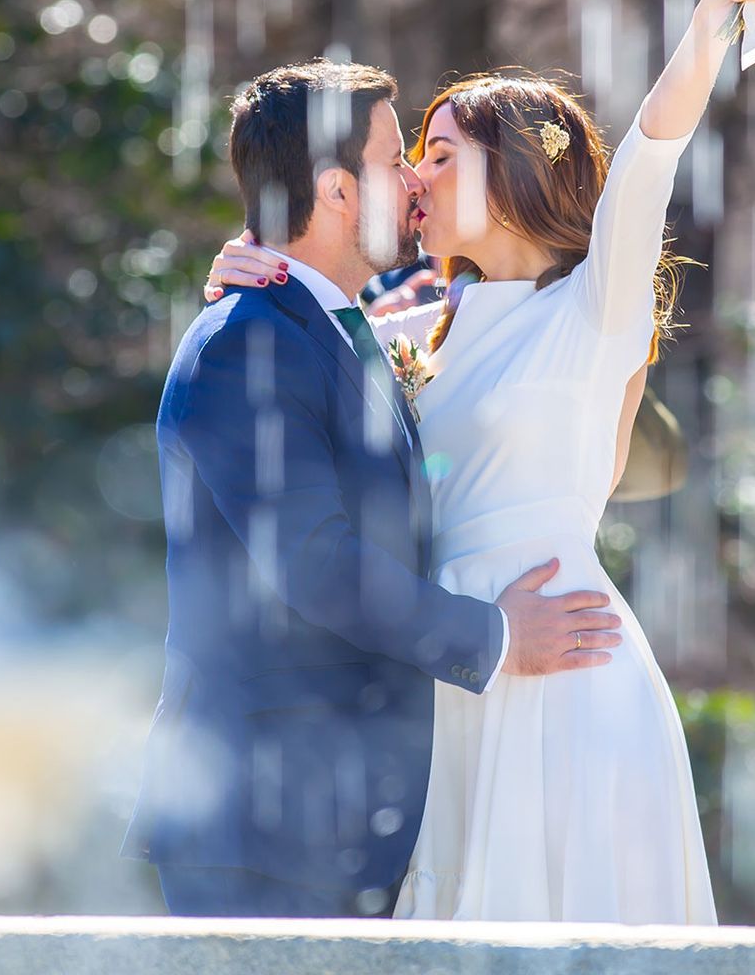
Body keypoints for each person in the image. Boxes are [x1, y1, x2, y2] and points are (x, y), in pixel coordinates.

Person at [201, 0, 755, 921]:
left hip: (566, 661)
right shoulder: (411, 324)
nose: (413, 179)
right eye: (410, 158)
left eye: (438, 156)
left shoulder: (593, 306)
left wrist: (713, 17)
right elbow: (301, 341)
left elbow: (655, 150)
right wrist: (241, 276)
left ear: (514, 169)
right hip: (457, 665)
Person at [121, 58, 624, 918]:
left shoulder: (333, 331)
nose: (413, 182)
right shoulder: (250, 341)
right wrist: (497, 638)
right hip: (262, 828)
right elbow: (315, 564)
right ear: (338, 191)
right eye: (397, 159)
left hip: (338, 824)